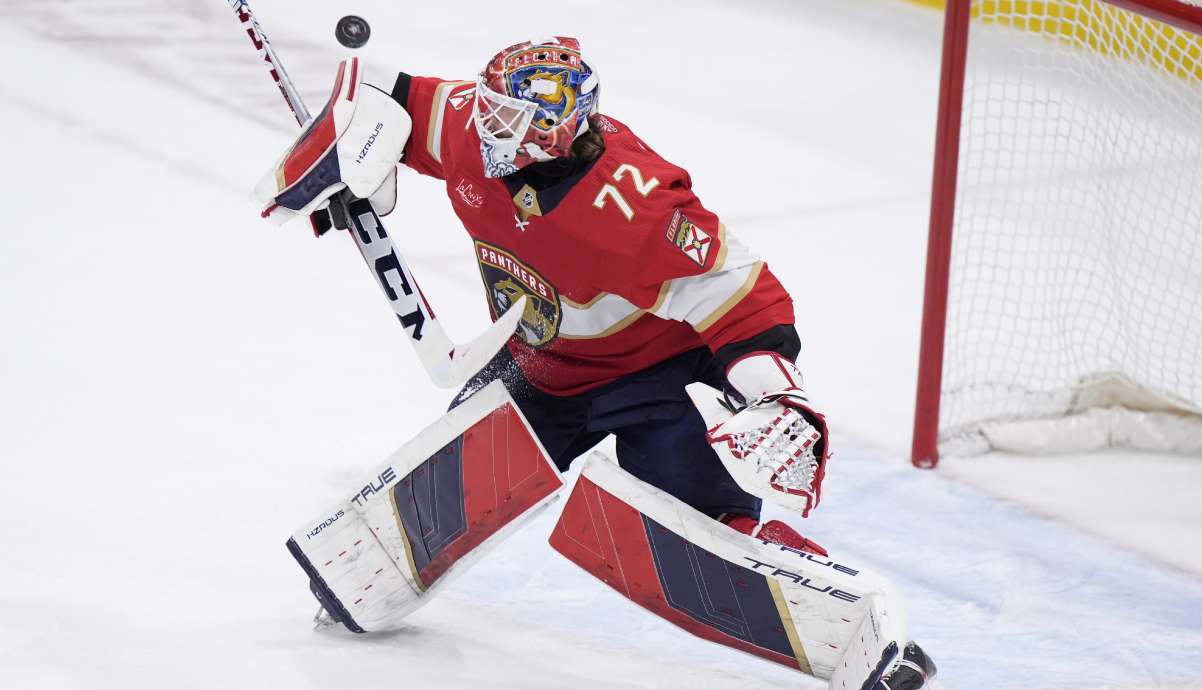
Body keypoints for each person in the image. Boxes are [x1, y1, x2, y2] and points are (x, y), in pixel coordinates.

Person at [256, 37, 935, 690]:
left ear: (556, 129)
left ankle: (848, 625)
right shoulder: (473, 129)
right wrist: (345, 160)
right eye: (488, 105)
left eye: (507, 118)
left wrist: (773, 393)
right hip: (542, 367)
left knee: (699, 543)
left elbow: (741, 293)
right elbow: (386, 99)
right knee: (450, 480)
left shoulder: (633, 203)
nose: (483, 123)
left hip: (658, 381)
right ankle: (358, 581)